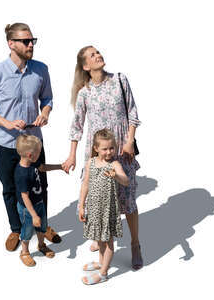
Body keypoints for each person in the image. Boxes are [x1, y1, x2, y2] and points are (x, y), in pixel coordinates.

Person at [0, 23, 61, 252]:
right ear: (11, 44)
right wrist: (7, 123)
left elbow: (48, 99)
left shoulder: (41, 70)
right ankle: (16, 229)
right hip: (6, 143)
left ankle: (42, 227)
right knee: (10, 189)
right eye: (26, 41)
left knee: (41, 185)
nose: (31, 44)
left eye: (33, 40)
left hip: (34, 142)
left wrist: (45, 112)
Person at [63, 46, 143, 269]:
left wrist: (129, 141)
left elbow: (133, 113)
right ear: (86, 66)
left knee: (127, 200)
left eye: (98, 52)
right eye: (92, 55)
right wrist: (72, 156)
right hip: (97, 152)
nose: (98, 55)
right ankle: (102, 239)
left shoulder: (119, 80)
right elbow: (77, 125)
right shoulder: (84, 93)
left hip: (121, 149)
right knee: (99, 199)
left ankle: (135, 244)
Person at [79, 129, 129, 284]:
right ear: (96, 148)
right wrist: (81, 205)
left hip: (108, 210)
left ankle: (103, 273)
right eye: (105, 149)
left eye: (111, 148)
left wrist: (117, 175)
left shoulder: (114, 164)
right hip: (94, 208)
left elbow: (125, 181)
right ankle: (101, 263)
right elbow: (85, 184)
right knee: (99, 238)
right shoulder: (91, 162)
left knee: (108, 241)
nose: (109, 152)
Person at [15, 135, 63, 266]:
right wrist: (33, 215)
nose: (40, 154)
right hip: (28, 209)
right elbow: (24, 196)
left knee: (42, 226)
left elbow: (42, 167)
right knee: (27, 230)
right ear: (30, 155)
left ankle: (41, 245)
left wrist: (60, 166)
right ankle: (24, 252)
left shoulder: (32, 163)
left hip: (39, 203)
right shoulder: (22, 174)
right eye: (39, 152)